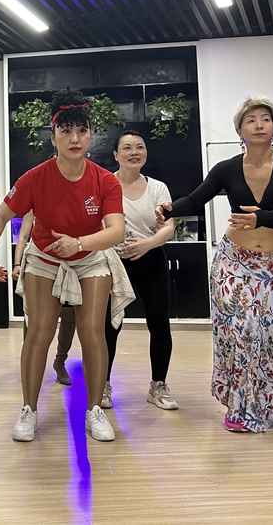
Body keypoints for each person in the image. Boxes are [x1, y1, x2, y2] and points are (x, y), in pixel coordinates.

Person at [157, 95, 273, 441]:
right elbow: (197, 198)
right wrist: (171, 209)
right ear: (239, 130)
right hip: (234, 263)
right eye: (251, 120)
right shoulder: (226, 168)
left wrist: (261, 217)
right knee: (242, 335)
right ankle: (241, 408)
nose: (259, 125)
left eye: (265, 119)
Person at [0, 88, 130, 444]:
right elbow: (2, 216)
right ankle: (29, 410)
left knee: (92, 331)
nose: (74, 138)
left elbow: (116, 231)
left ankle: (94, 410)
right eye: (65, 131)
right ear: (53, 136)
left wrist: (79, 243)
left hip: (90, 256)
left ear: (90, 134)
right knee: (39, 332)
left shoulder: (105, 180)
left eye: (81, 130)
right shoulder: (34, 178)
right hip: (45, 259)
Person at [105, 130, 178, 410]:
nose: (134, 152)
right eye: (127, 148)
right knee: (109, 326)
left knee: (159, 324)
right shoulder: (105, 184)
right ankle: (103, 384)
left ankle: (158, 386)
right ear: (116, 155)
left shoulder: (158, 188)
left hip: (151, 259)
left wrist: (146, 244)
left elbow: (168, 227)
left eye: (139, 147)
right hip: (113, 262)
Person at [12, 211, 76, 387]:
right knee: (34, 317)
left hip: (71, 263)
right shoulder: (36, 200)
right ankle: (31, 364)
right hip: (40, 262)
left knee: (70, 314)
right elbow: (23, 236)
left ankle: (60, 362)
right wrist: (17, 264)